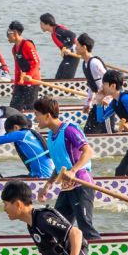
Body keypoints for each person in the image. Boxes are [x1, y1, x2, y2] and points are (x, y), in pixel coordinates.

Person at [33, 96, 99, 240]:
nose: (35, 119)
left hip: (81, 184)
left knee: (85, 226)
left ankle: (98, 253)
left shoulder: (69, 130)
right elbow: (59, 165)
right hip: (67, 187)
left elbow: (88, 151)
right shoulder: (51, 134)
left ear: (48, 116)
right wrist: (47, 185)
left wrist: (73, 171)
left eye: (37, 115)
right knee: (57, 226)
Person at [6, 20, 42, 110]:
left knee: (29, 108)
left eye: (8, 33)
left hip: (32, 81)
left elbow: (36, 62)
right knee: (14, 107)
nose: (7, 36)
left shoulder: (27, 44)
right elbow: (17, 68)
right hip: (21, 82)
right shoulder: (14, 49)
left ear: (15, 33)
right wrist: (16, 84)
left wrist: (29, 75)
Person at [39, 13, 81, 81]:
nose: (40, 26)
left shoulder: (58, 30)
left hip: (73, 55)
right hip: (67, 56)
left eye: (41, 24)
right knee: (58, 78)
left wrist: (67, 47)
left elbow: (72, 35)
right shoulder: (54, 33)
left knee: (65, 79)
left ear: (47, 24)